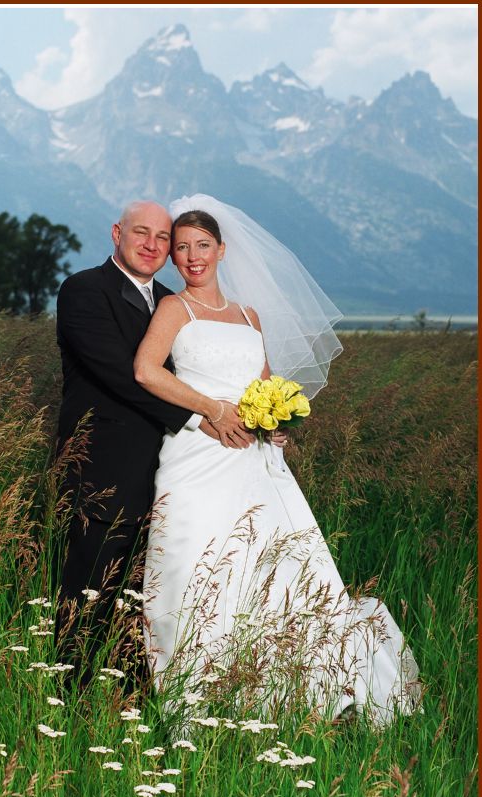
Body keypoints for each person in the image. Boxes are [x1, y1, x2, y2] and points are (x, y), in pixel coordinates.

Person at [134, 194, 422, 726]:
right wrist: (212, 409)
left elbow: (263, 382)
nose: (193, 257)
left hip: (256, 459)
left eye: (203, 245)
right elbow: (146, 372)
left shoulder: (250, 316)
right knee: (191, 562)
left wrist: (276, 421)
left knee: (277, 566)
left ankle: (299, 692)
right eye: (182, 248)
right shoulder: (174, 309)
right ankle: (194, 699)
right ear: (173, 258)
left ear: (222, 250)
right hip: (198, 453)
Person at [54, 200, 249, 688]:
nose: (152, 244)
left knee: (152, 592)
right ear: (117, 233)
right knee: (90, 589)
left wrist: (263, 418)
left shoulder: (170, 301)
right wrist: (201, 415)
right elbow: (123, 374)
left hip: (173, 470)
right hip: (104, 465)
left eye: (163, 238)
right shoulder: (84, 290)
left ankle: (135, 694)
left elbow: (198, 374)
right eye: (141, 232)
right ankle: (71, 699)